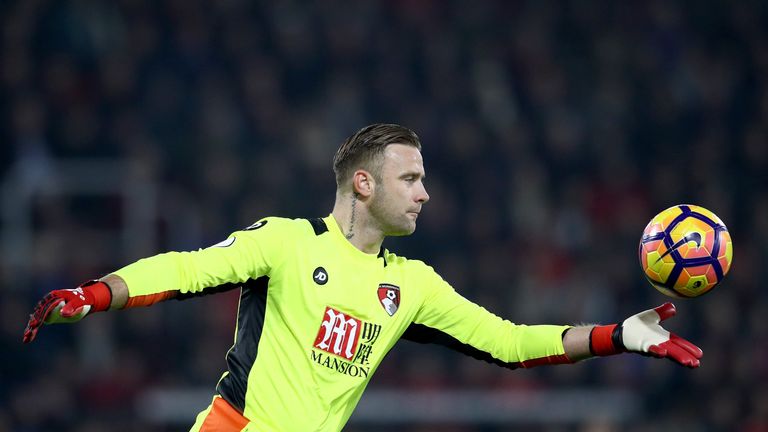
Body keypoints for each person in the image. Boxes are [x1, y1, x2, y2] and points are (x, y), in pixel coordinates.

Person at [23, 123, 703, 431]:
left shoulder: (413, 286)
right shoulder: (287, 242)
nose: (424, 194)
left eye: (425, 181)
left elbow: (509, 342)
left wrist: (619, 334)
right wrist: (96, 293)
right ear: (362, 181)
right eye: (411, 178)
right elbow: (186, 268)